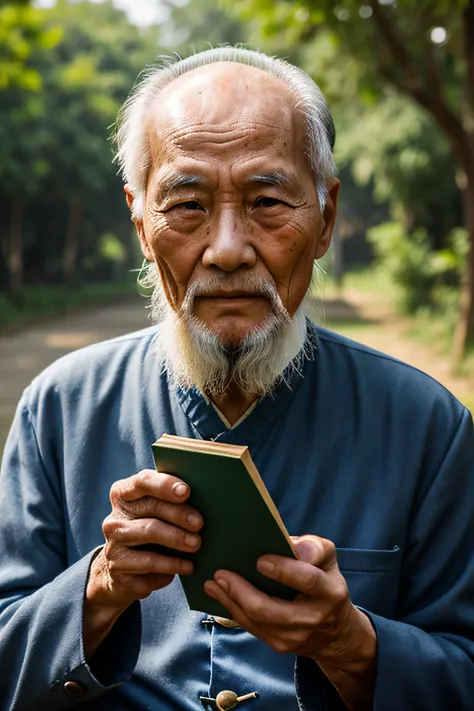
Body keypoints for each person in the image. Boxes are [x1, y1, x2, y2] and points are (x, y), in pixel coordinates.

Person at [1, 46, 473, 711]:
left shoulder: (428, 425)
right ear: (141, 221)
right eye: (188, 204)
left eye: (267, 200)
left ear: (325, 218)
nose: (226, 249)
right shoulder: (60, 408)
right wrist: (99, 587)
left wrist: (351, 640)